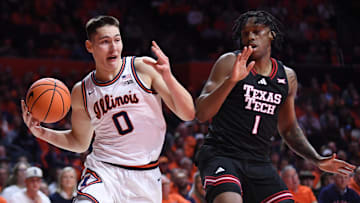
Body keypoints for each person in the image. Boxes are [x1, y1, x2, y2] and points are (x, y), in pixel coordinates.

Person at [21, 15, 195, 202]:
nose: (113, 47)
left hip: (145, 176)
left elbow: (188, 113)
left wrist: (168, 76)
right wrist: (41, 133)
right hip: (104, 171)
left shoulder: (142, 68)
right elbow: (79, 142)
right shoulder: (82, 91)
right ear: (90, 47)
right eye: (105, 42)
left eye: (117, 40)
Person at [194, 10, 355, 203]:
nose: (250, 37)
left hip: (259, 161)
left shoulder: (287, 77)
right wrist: (231, 80)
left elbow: (288, 128)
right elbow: (201, 113)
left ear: (271, 34)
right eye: (245, 33)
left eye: (256, 31)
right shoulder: (229, 62)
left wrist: (317, 159)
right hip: (222, 154)